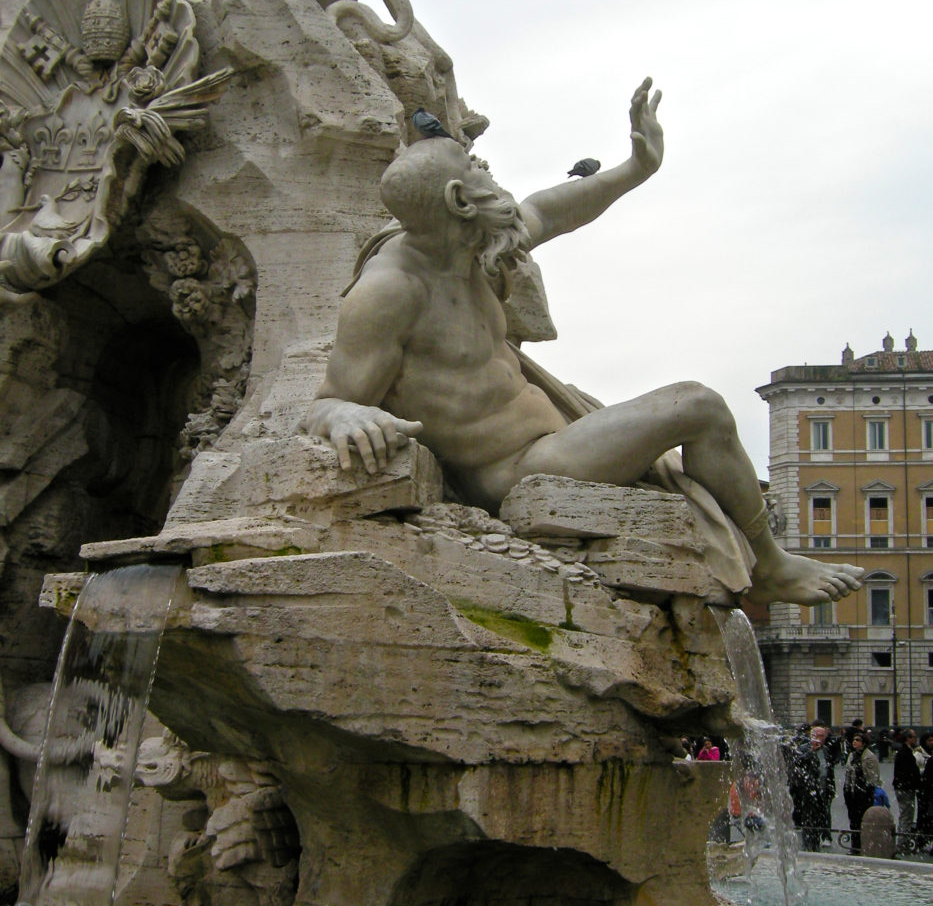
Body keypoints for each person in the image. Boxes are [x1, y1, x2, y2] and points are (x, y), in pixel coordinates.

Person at [306, 82, 865, 609]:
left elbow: (551, 209)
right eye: (475, 168)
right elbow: (327, 401)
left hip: (558, 436)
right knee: (700, 405)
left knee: (691, 411)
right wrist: (345, 414)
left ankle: (763, 555)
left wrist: (637, 169)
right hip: (520, 470)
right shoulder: (390, 290)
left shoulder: (467, 241)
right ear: (459, 199)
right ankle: (769, 565)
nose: (486, 170)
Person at [791, 725, 836, 851]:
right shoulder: (804, 748)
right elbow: (798, 763)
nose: (821, 739)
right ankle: (808, 842)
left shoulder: (826, 750)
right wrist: (811, 752)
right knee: (809, 817)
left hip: (823, 788)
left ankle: (824, 837)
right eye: (819, 736)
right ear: (813, 736)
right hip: (808, 790)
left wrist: (831, 787)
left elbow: (829, 770)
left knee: (825, 813)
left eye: (823, 736)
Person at [842, 732, 881, 855]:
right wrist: (847, 790)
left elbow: (873, 777)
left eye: (858, 740)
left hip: (864, 794)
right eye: (854, 739)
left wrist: (867, 789)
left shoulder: (869, 757)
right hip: (852, 793)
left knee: (863, 819)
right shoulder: (852, 755)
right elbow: (848, 774)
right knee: (853, 820)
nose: (854, 742)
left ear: (863, 743)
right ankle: (855, 846)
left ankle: (864, 845)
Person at [893, 728, 922, 836]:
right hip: (905, 789)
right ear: (908, 738)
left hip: (903, 787)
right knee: (907, 815)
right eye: (914, 737)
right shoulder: (905, 752)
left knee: (905, 814)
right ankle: (903, 842)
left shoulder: (905, 751)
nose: (915, 739)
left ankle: (903, 839)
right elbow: (909, 772)